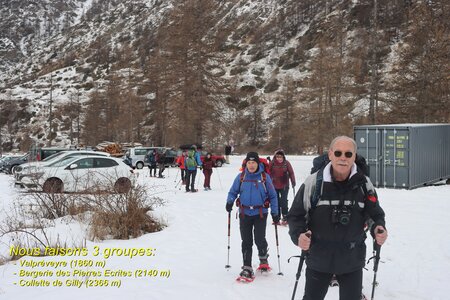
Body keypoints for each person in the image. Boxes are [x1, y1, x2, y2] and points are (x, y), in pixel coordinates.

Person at [288, 136, 388, 300]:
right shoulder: (314, 183)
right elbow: (296, 215)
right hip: (319, 258)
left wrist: (378, 227)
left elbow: (374, 214)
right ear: (330, 155)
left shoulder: (364, 184)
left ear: (354, 157)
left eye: (348, 154)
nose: (343, 158)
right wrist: (298, 235)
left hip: (352, 260)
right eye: (339, 153)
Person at [226, 152, 279, 281]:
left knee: (260, 239)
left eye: (253, 162)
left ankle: (263, 258)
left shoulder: (265, 177)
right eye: (249, 163)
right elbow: (233, 191)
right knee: (246, 241)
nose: (251, 165)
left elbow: (273, 195)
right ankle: (247, 267)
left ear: (258, 163)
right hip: (244, 213)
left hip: (260, 213)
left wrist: (275, 212)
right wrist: (229, 201)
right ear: (246, 164)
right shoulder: (241, 177)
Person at [269, 149, 296, 225]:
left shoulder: (286, 163)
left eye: (281, 157)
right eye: (277, 156)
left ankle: (285, 217)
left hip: (284, 185)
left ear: (283, 157)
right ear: (275, 157)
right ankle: (276, 218)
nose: (279, 158)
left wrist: (293, 181)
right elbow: (267, 172)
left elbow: (291, 173)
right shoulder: (272, 163)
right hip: (274, 185)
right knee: (276, 201)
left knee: (284, 201)